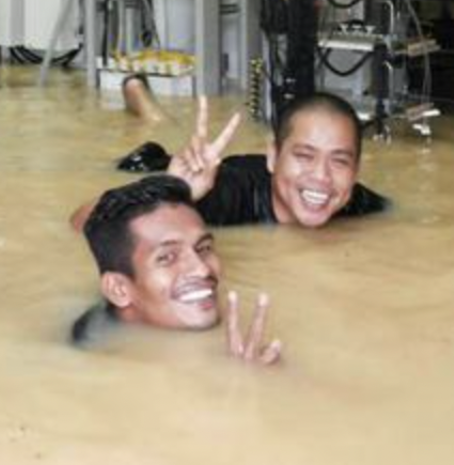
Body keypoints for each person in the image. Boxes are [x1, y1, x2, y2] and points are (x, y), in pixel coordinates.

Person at [73, 92, 388, 230]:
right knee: (152, 146)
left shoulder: (350, 200)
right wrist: (169, 189)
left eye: (339, 161)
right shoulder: (223, 197)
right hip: (160, 164)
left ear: (355, 170)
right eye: (304, 156)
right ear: (273, 156)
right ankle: (140, 96)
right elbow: (84, 220)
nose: (321, 176)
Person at [72, 175, 283, 365]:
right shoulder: (93, 359)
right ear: (118, 289)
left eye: (203, 248)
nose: (202, 269)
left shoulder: (254, 334)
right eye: (167, 257)